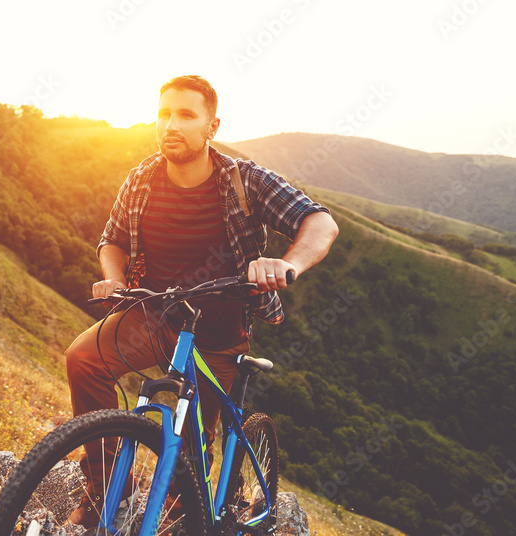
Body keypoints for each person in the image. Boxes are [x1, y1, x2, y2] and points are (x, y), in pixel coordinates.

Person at [64, 75, 339, 526]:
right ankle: (103, 489)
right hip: (154, 315)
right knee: (84, 360)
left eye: (186, 115)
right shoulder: (143, 179)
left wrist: (287, 265)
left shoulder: (245, 181)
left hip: (218, 332)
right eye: (163, 114)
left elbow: (320, 223)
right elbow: (111, 239)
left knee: (194, 442)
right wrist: (113, 279)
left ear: (212, 126)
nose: (170, 124)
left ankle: (177, 510)